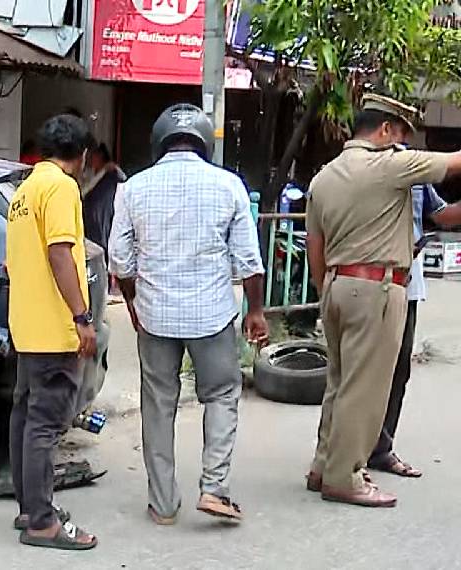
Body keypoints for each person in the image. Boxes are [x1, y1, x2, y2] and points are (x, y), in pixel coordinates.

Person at [109, 103, 268, 524]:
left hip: (155, 316)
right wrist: (256, 312)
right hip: (211, 315)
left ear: (159, 140)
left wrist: (131, 300)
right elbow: (249, 261)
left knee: (158, 405)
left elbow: (120, 261)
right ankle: (214, 489)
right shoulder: (228, 184)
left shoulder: (134, 188)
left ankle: (162, 504)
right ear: (202, 140)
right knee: (220, 396)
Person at [305, 94, 461, 508]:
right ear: (386, 129)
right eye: (401, 135)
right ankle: (345, 477)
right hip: (376, 288)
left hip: (338, 285)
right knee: (366, 389)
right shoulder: (390, 165)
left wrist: (326, 290)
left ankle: (323, 465)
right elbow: (455, 162)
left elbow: (313, 243)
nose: (404, 145)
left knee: (339, 385)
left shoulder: (324, 176)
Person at [5, 114, 98, 551]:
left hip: (26, 326)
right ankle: (43, 523)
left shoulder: (23, 191)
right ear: (81, 156)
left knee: (25, 419)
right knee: (44, 425)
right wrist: (82, 316)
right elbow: (60, 253)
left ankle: (30, 508)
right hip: (54, 329)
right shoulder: (61, 188)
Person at [367, 147, 461, 479]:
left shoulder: (418, 179)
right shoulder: (365, 171)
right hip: (368, 280)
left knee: (398, 369)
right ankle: (344, 451)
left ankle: (380, 447)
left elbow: (443, 215)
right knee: (361, 370)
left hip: (409, 282)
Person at [81, 142, 125, 256]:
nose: (90, 160)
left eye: (93, 156)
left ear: (100, 157)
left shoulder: (111, 178)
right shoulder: (91, 174)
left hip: (102, 226)